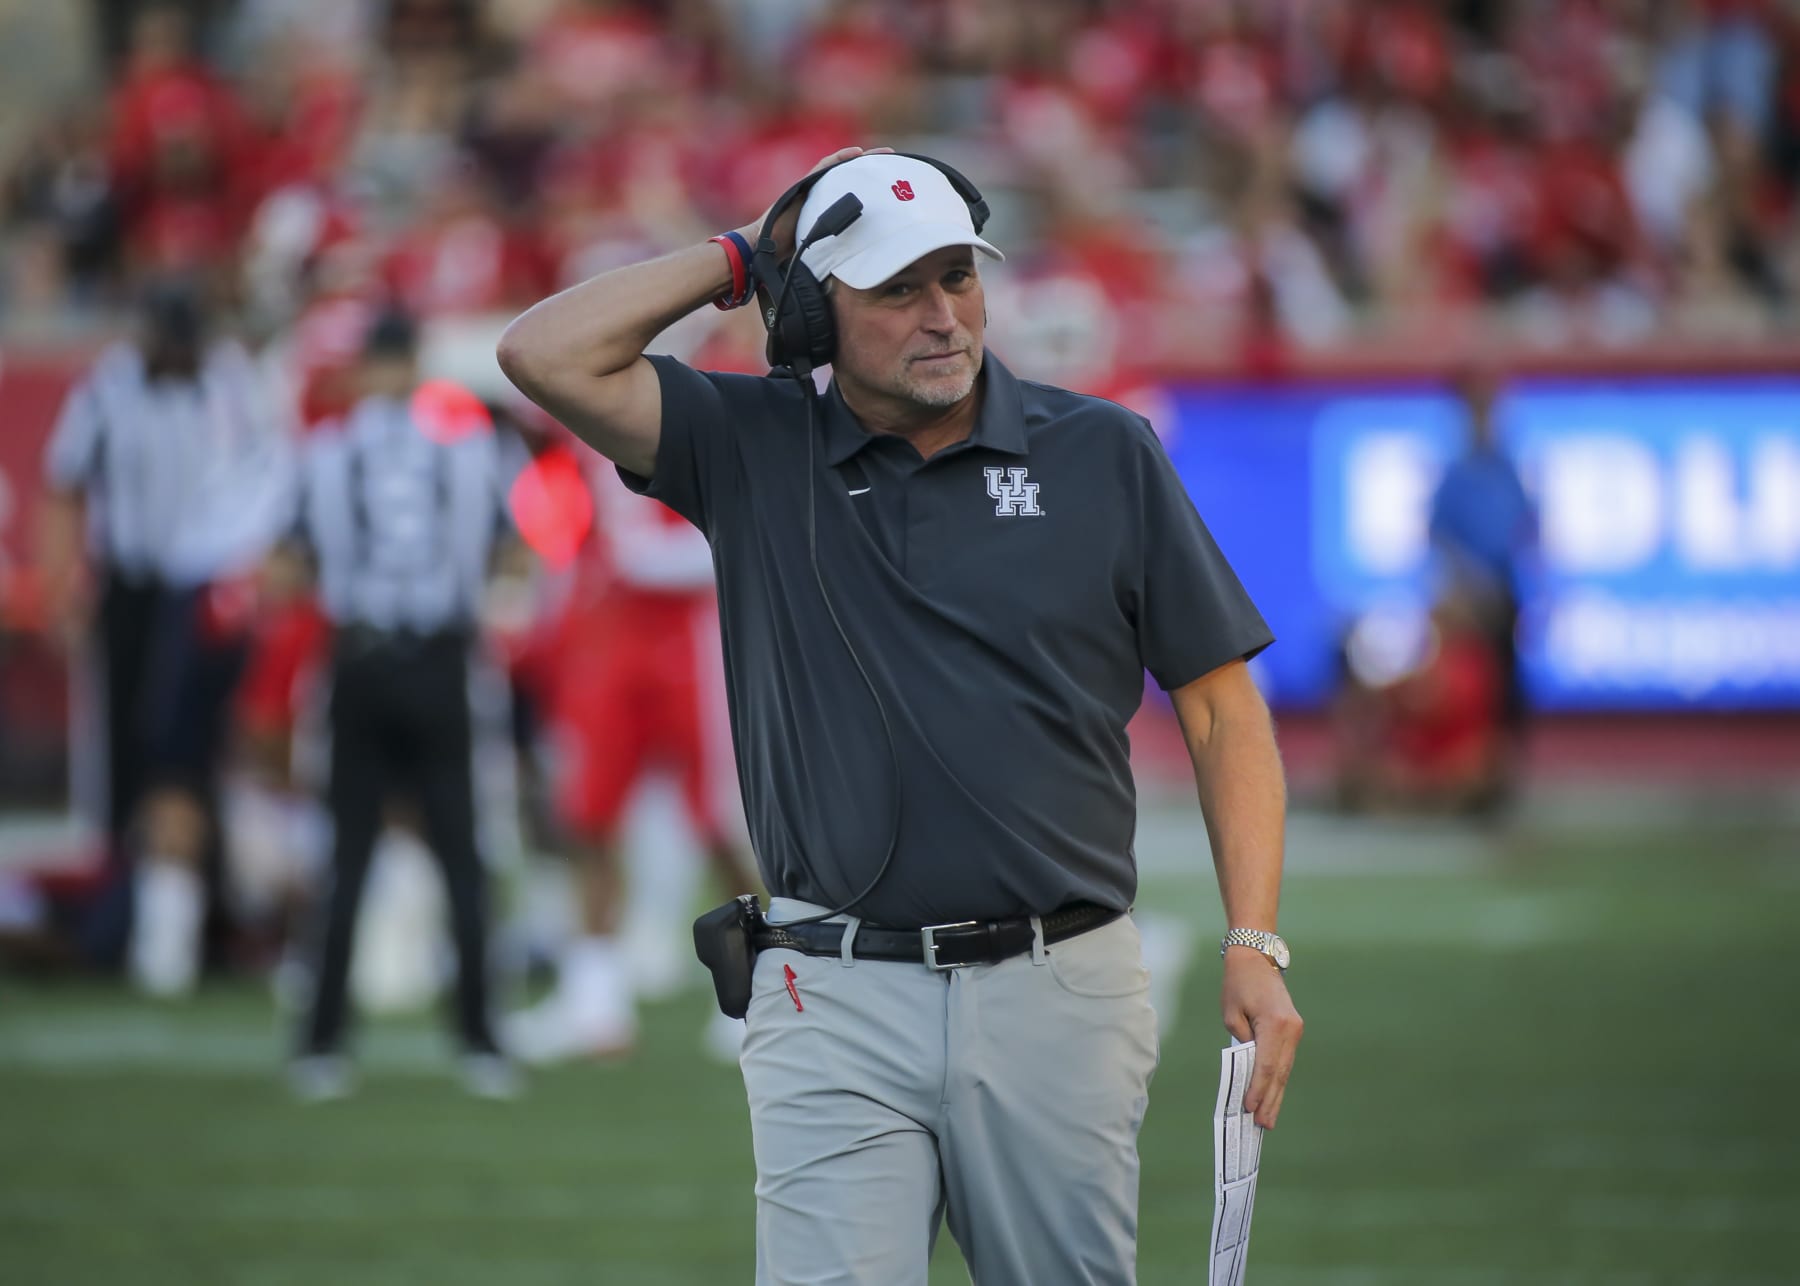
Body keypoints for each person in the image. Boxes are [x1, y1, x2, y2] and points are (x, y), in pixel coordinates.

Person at [497, 147, 1301, 1284]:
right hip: (828, 989)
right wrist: (738, 258)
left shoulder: (1104, 452)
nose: (944, 315)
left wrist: (1254, 940)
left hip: (1056, 984)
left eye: (959, 278)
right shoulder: (750, 445)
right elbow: (542, 351)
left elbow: (1225, 713)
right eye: (897, 288)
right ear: (817, 311)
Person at [39, 279, 292, 994]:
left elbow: (266, 481)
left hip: (210, 589)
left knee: (197, 751)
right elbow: (65, 485)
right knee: (131, 748)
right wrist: (64, 587)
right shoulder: (104, 389)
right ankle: (133, 916)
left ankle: (204, 919)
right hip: (131, 587)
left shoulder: (233, 385)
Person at [286, 310, 515, 1101]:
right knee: (455, 852)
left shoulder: (328, 449)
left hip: (363, 655)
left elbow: (289, 559)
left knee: (353, 855)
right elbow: (511, 551)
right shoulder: (467, 445)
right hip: (436, 658)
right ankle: (480, 1041)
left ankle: (323, 1045)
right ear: (415, 360)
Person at [508, 462, 758, 1063]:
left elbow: (741, 525)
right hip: (605, 628)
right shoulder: (575, 402)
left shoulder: (713, 381)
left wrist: (643, 553)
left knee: (722, 821)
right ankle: (594, 1002)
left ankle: (758, 992)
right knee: (588, 816)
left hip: (692, 627)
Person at [1428, 363, 1537, 805]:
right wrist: (1469, 585)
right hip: (1472, 602)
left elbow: (1526, 529)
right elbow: (1440, 537)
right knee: (1473, 691)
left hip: (1505, 596)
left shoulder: (1508, 470)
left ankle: (1504, 778)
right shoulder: (1456, 475)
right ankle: (1473, 779)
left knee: (1509, 690)